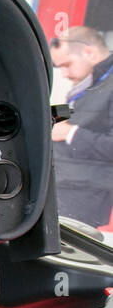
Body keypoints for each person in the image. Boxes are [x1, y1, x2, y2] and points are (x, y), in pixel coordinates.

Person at [50, 26, 113, 228]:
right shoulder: (94, 83)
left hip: (82, 192)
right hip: (67, 182)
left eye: (67, 65)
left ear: (89, 52)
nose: (65, 74)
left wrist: (71, 133)